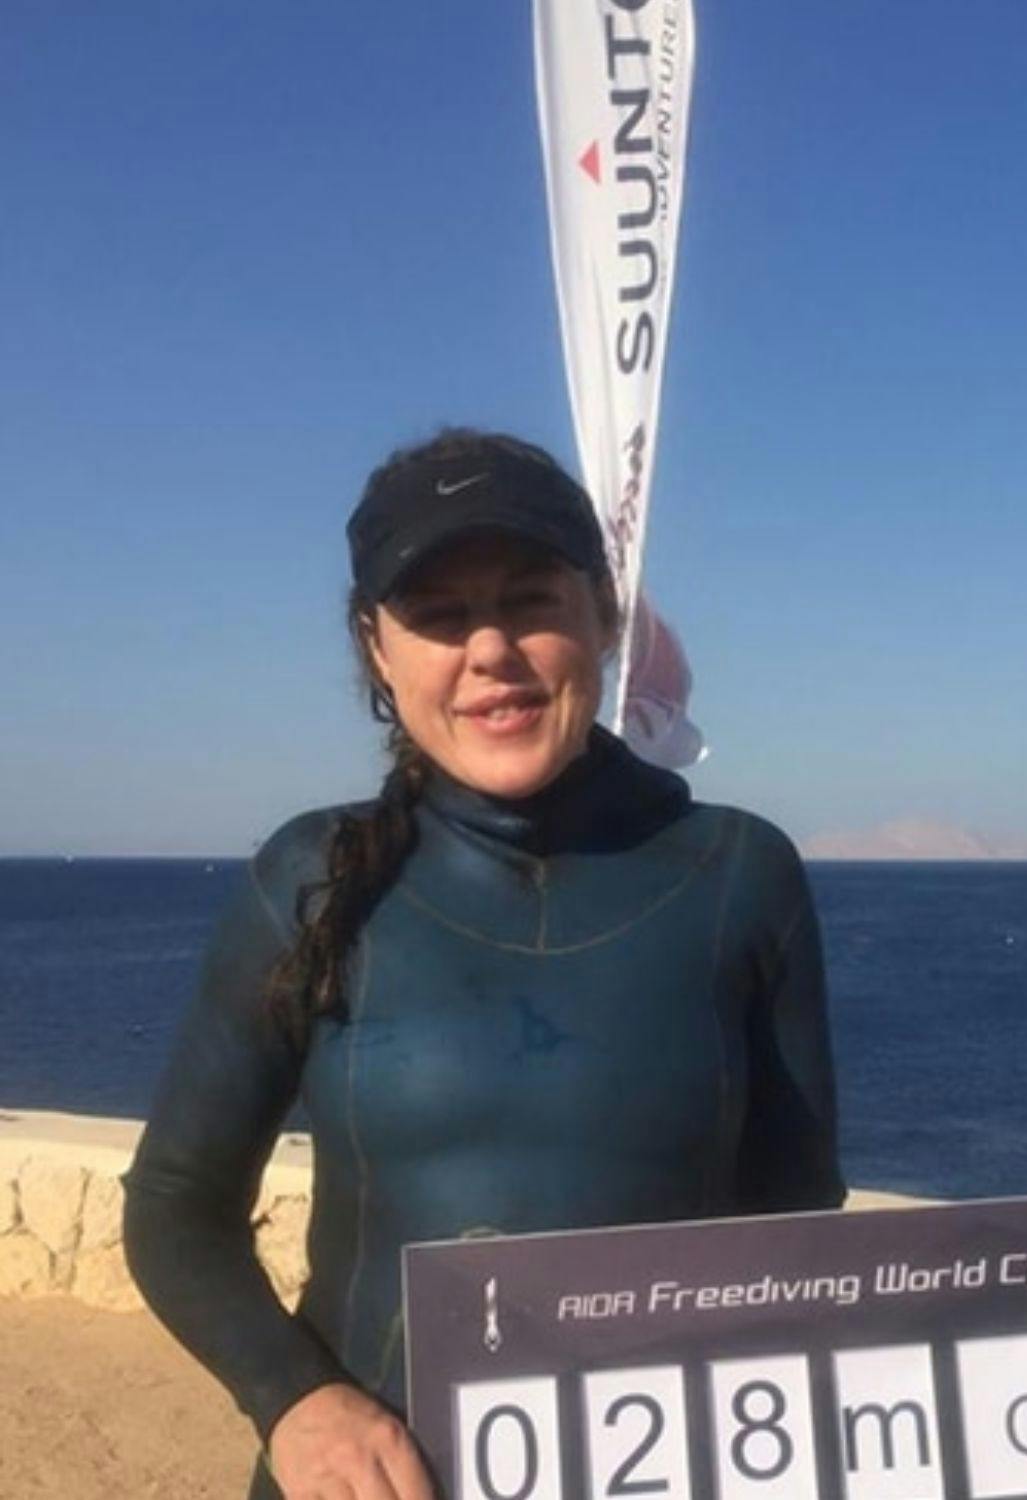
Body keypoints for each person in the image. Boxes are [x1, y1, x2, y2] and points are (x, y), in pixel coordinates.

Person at [123, 428, 844, 1500]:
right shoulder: (315, 879)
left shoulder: (742, 874)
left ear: (604, 614)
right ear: (376, 648)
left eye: (530, 600)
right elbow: (176, 1203)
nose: (490, 650)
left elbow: (797, 1216)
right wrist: (296, 1399)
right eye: (439, 615)